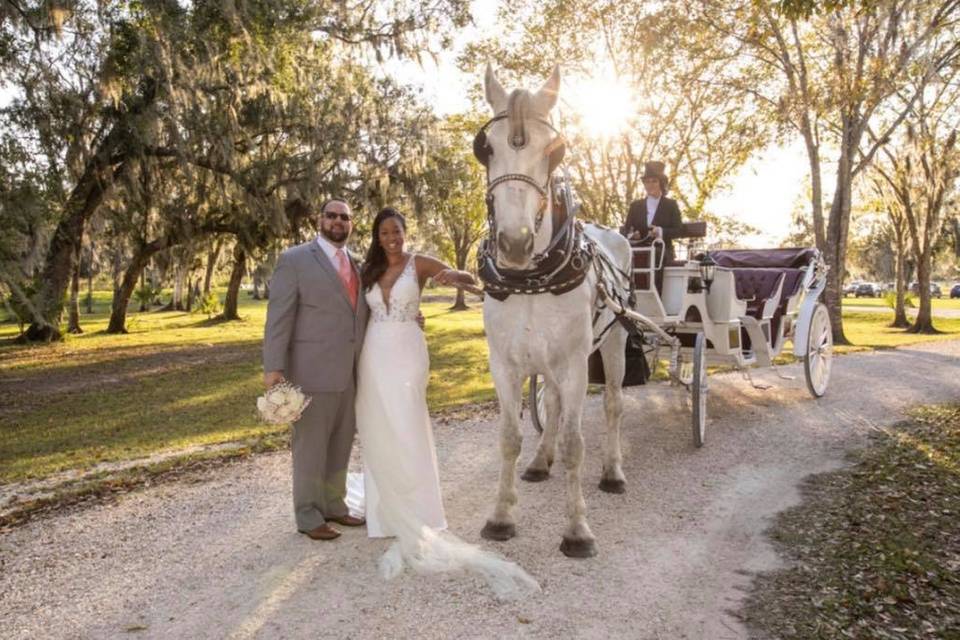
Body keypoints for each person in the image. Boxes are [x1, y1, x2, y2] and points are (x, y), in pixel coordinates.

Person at [355, 207, 539, 600]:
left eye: (398, 231)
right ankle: (383, 510)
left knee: (407, 423)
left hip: (407, 350)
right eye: (385, 232)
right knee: (376, 424)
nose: (392, 237)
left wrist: (456, 276)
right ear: (377, 235)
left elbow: (465, 278)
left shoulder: (417, 262)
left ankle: (419, 506)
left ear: (405, 233)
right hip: (372, 353)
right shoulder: (366, 270)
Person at [262, 198, 368, 541]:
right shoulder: (294, 260)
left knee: (340, 443)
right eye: (331, 215)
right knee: (310, 448)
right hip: (310, 373)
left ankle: (334, 505)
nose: (338, 221)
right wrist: (273, 368)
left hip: (350, 374)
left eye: (345, 217)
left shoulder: (357, 264)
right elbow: (278, 318)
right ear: (319, 219)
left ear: (351, 224)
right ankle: (308, 515)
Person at [622, 161, 683, 264]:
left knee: (654, 256)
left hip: (662, 251)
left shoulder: (671, 205)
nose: (650, 185)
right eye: (647, 182)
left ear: (661, 183)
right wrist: (632, 235)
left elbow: (679, 230)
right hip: (639, 250)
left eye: (654, 181)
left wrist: (660, 231)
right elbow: (625, 230)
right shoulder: (635, 206)